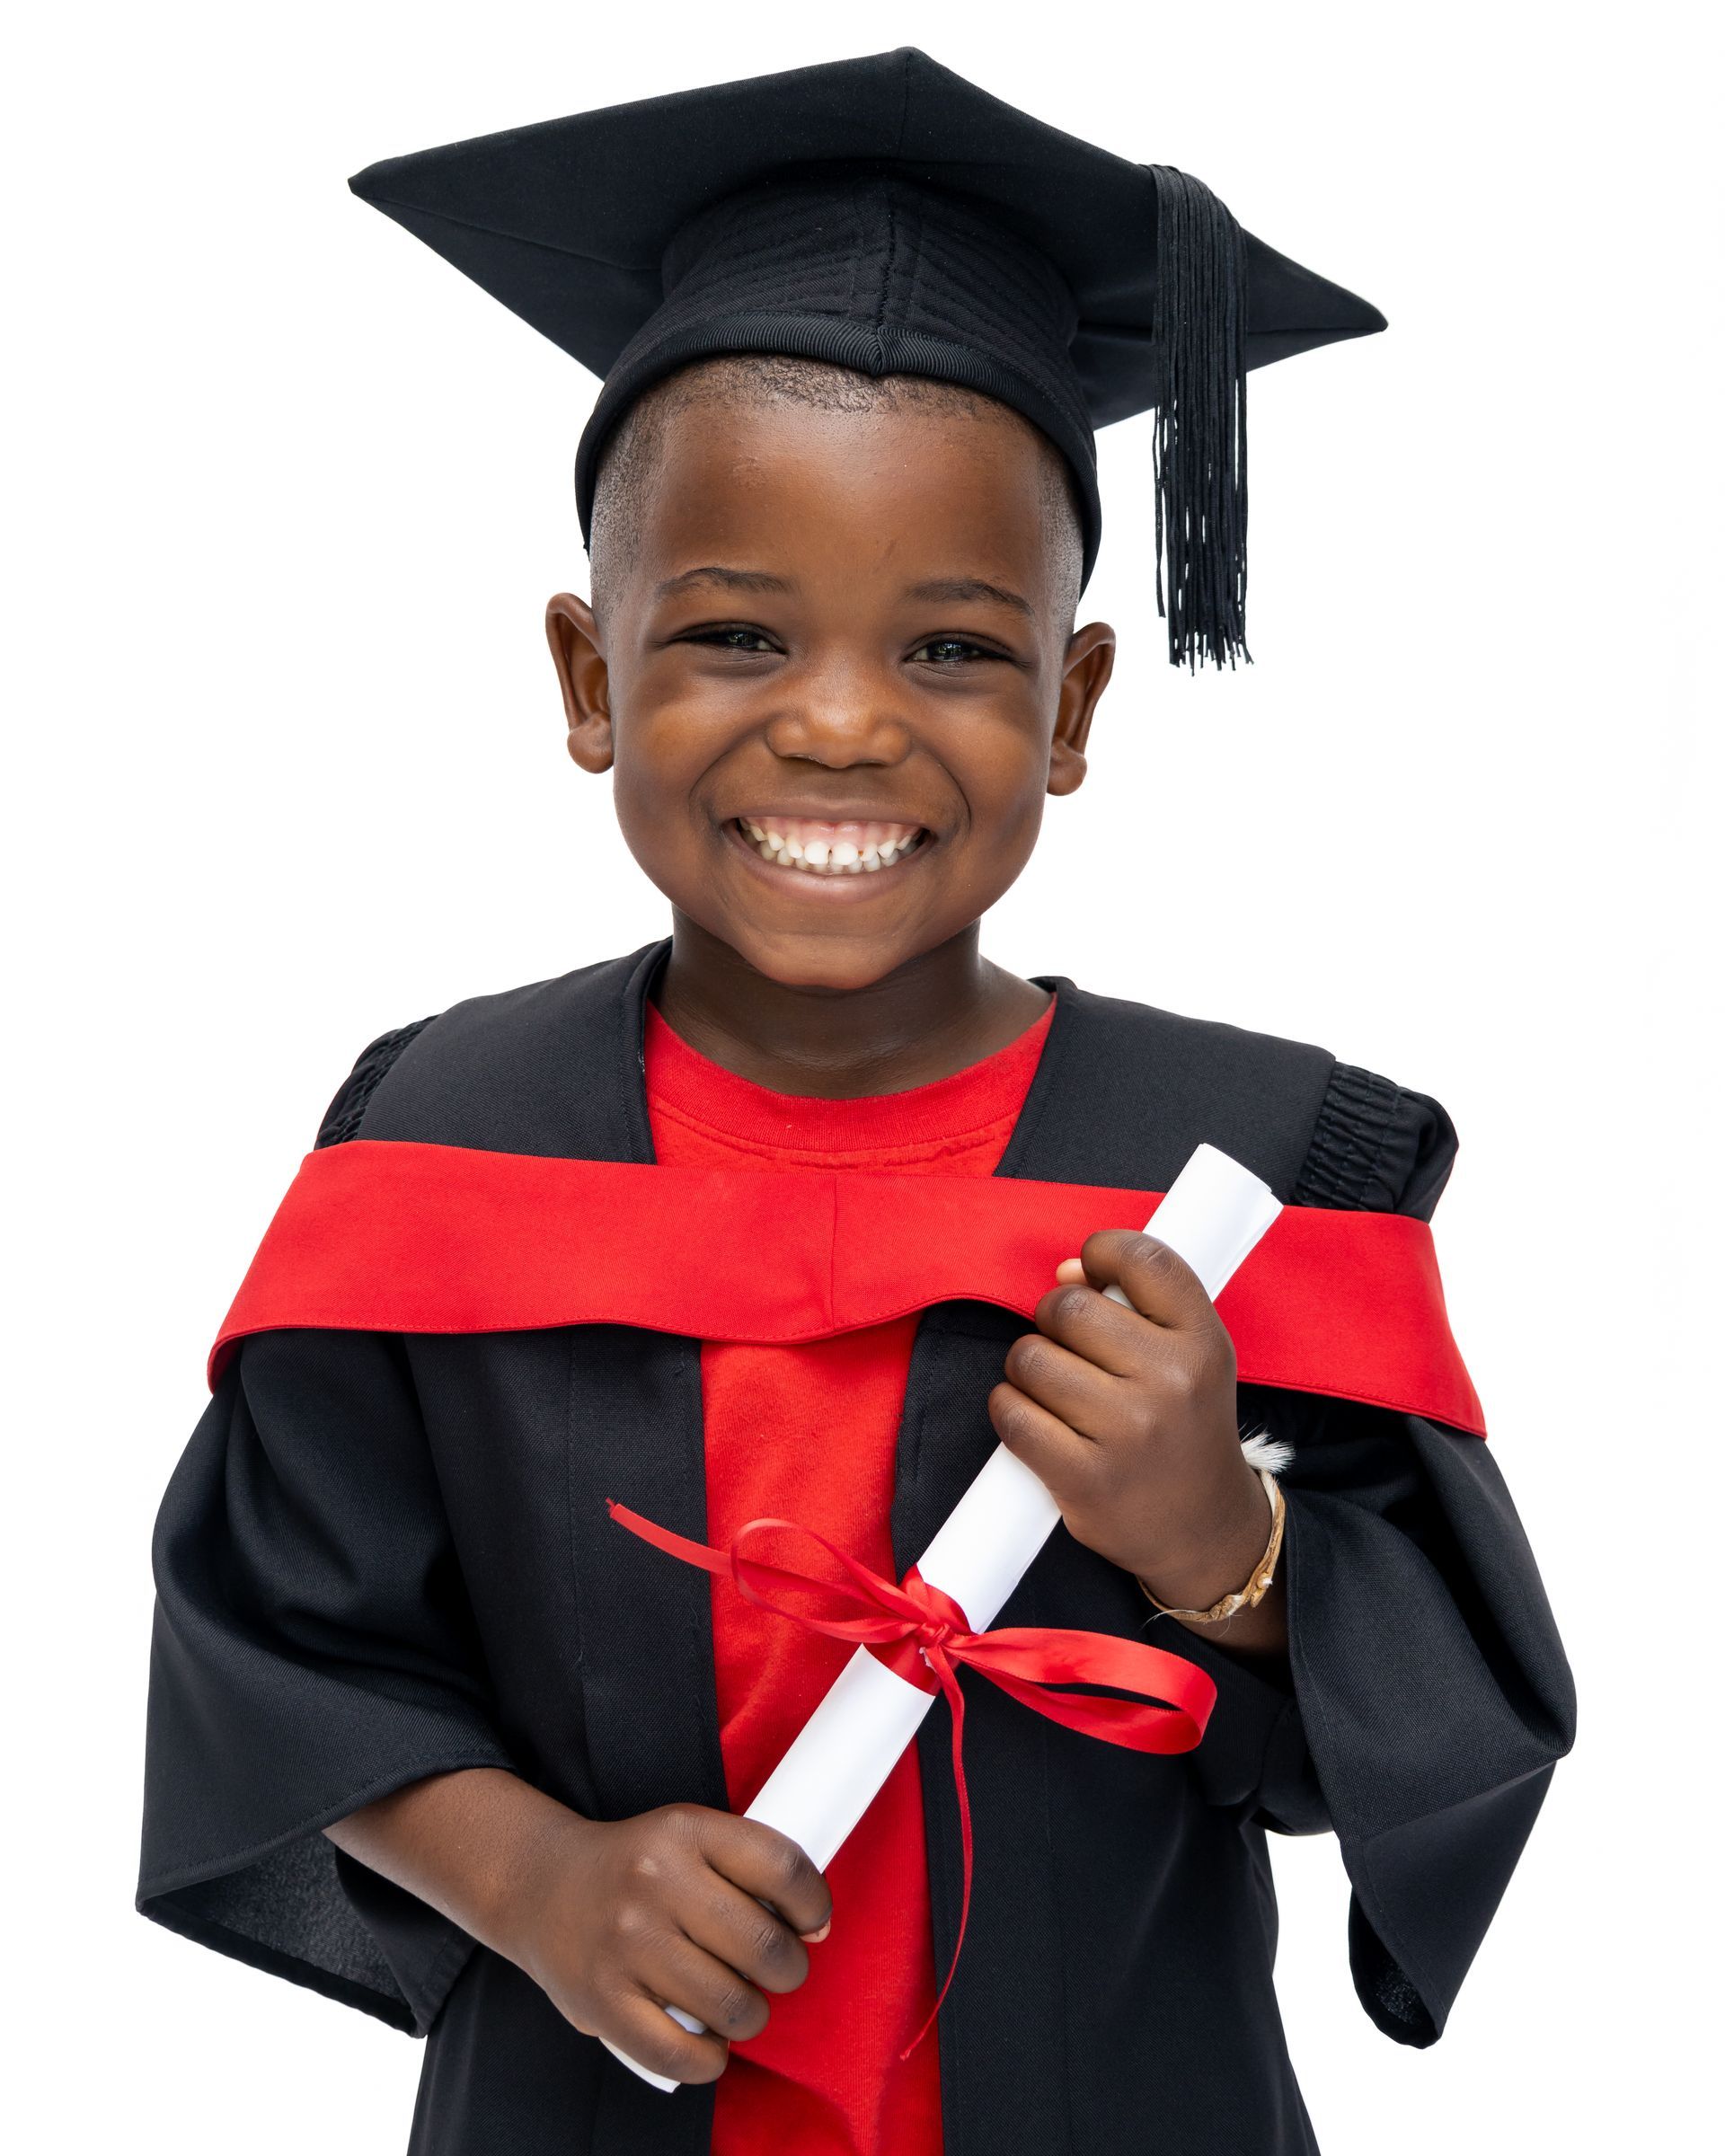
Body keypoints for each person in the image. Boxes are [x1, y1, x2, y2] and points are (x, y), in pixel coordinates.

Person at [136, 49, 1576, 2156]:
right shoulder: (443, 1144)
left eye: (951, 653)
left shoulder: (1260, 1172)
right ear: (587, 678)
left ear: (1074, 705)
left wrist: (1223, 1543)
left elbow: (1418, 1750)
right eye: (730, 632)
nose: (836, 724)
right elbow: (277, 1652)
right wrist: (537, 1884)